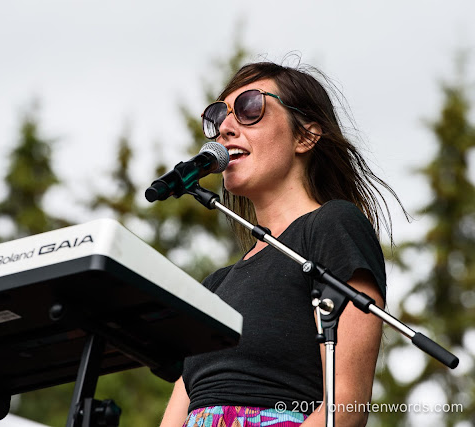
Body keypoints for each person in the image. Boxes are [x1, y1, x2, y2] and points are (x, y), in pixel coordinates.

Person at [160, 60, 407, 427]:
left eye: (249, 108)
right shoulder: (215, 285)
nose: (225, 128)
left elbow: (344, 409)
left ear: (305, 136)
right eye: (217, 117)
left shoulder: (332, 226)